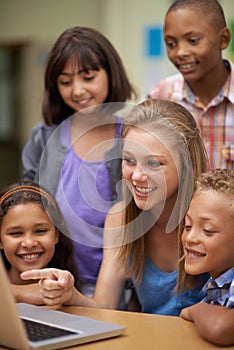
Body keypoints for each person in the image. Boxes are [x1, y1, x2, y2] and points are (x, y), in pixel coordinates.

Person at [21, 98, 209, 316]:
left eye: (153, 163)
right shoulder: (121, 218)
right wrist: (70, 294)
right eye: (129, 160)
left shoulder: (212, 216)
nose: (137, 176)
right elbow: (106, 305)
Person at [21, 26, 137, 297]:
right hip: (54, 280)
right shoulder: (44, 136)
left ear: (110, 72)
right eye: (65, 82)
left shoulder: (131, 136)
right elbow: (27, 203)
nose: (78, 90)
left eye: (88, 76)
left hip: (119, 285)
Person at [148, 0, 234, 170]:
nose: (180, 52)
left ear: (223, 39)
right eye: (171, 44)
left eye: (193, 40)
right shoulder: (161, 96)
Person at [177, 169, 234, 346]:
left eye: (208, 230)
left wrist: (195, 310)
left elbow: (220, 327)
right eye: (187, 226)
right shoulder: (216, 284)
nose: (190, 237)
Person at [0, 182, 80, 305]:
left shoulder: (64, 286)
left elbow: (103, 311)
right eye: (16, 233)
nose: (29, 243)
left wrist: (72, 296)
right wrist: (19, 292)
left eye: (40, 231)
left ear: (56, 235)